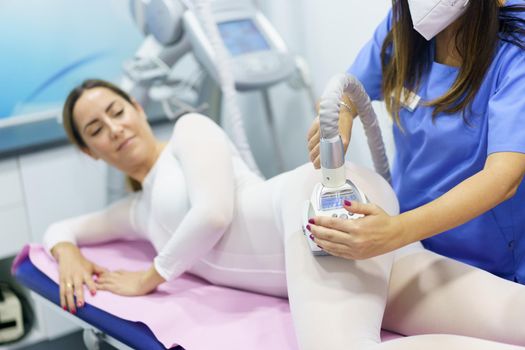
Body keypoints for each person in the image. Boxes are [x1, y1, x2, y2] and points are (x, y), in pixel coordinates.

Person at [44, 79, 525, 350]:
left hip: (318, 209)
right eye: (96, 128)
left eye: (116, 111)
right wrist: (67, 254)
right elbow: (61, 229)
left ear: (137, 108)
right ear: (90, 152)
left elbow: (212, 213)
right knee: (512, 318)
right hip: (348, 256)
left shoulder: (190, 132)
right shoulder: (134, 211)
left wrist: (150, 276)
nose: (114, 128)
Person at [307, 0, 525, 282]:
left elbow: (503, 179)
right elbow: (347, 90)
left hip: (486, 264)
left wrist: (395, 231)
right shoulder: (408, 23)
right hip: (408, 248)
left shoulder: (514, 53)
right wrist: (342, 114)